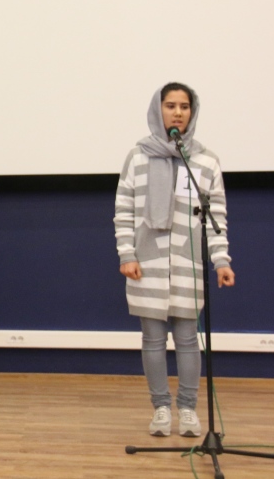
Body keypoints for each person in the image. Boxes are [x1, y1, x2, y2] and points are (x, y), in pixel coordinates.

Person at [114, 82, 236, 438]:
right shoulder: (138, 157)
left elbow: (216, 217)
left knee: (187, 339)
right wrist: (127, 254)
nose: (178, 113)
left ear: (192, 112)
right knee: (152, 340)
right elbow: (124, 210)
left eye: (184, 106)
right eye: (170, 106)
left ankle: (188, 409)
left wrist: (221, 260)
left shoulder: (205, 161)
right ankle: (161, 409)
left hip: (187, 264)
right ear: (159, 110)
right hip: (147, 264)